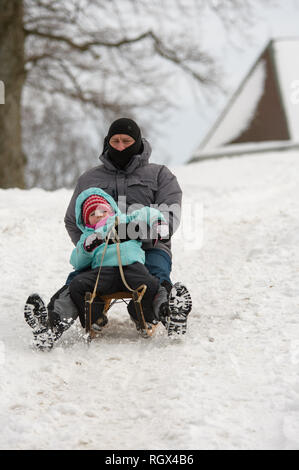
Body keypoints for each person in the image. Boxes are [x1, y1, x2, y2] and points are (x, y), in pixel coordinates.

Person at [24, 188, 190, 350]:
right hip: (103, 274)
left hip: (133, 269)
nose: (98, 215)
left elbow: (147, 212)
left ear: (111, 210)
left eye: (102, 210)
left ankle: (168, 315)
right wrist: (87, 248)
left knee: (154, 286)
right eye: (92, 214)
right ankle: (54, 326)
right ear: (86, 221)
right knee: (76, 285)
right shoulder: (90, 235)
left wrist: (158, 223)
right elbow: (76, 261)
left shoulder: (125, 220)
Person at [64, 117, 192, 329]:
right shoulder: (89, 179)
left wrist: (137, 234)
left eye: (127, 141)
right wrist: (90, 245)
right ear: (107, 143)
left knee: (155, 276)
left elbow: (169, 214)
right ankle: (53, 319)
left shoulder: (160, 174)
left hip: (149, 248)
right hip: (103, 251)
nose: (121, 146)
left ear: (138, 142)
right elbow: (72, 220)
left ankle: (168, 312)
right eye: (115, 141)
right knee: (77, 280)